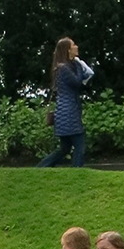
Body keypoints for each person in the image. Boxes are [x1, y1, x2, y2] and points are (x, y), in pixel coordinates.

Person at [39, 37, 96, 168]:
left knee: (64, 148)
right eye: (73, 45)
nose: (76, 46)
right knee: (79, 145)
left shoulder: (66, 66)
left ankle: (41, 168)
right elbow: (76, 82)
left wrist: (78, 65)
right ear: (68, 50)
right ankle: (77, 171)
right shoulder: (64, 68)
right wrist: (80, 68)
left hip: (64, 112)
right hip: (69, 112)